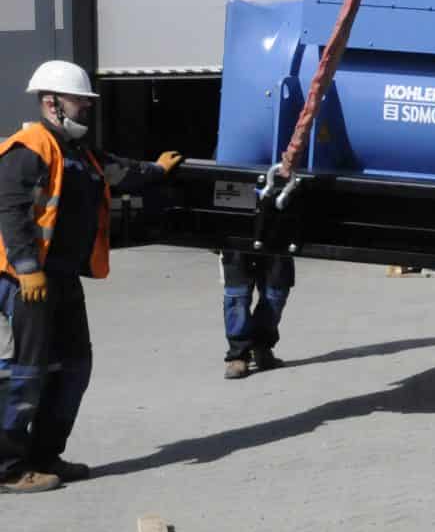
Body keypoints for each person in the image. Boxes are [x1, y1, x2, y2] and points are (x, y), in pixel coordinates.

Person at [1, 61, 181, 495]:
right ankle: (7, 468)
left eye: (86, 101)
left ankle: (45, 455)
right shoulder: (29, 148)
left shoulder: (80, 152)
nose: (86, 107)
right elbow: (9, 210)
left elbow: (119, 172)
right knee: (26, 373)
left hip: (63, 279)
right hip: (28, 281)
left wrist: (157, 170)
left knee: (74, 368)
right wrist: (27, 268)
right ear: (51, 102)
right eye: (79, 100)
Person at [221, 249, 293, 380]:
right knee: (237, 295)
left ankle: (261, 347)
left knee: (276, 293)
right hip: (237, 242)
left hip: (278, 240)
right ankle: (239, 355)